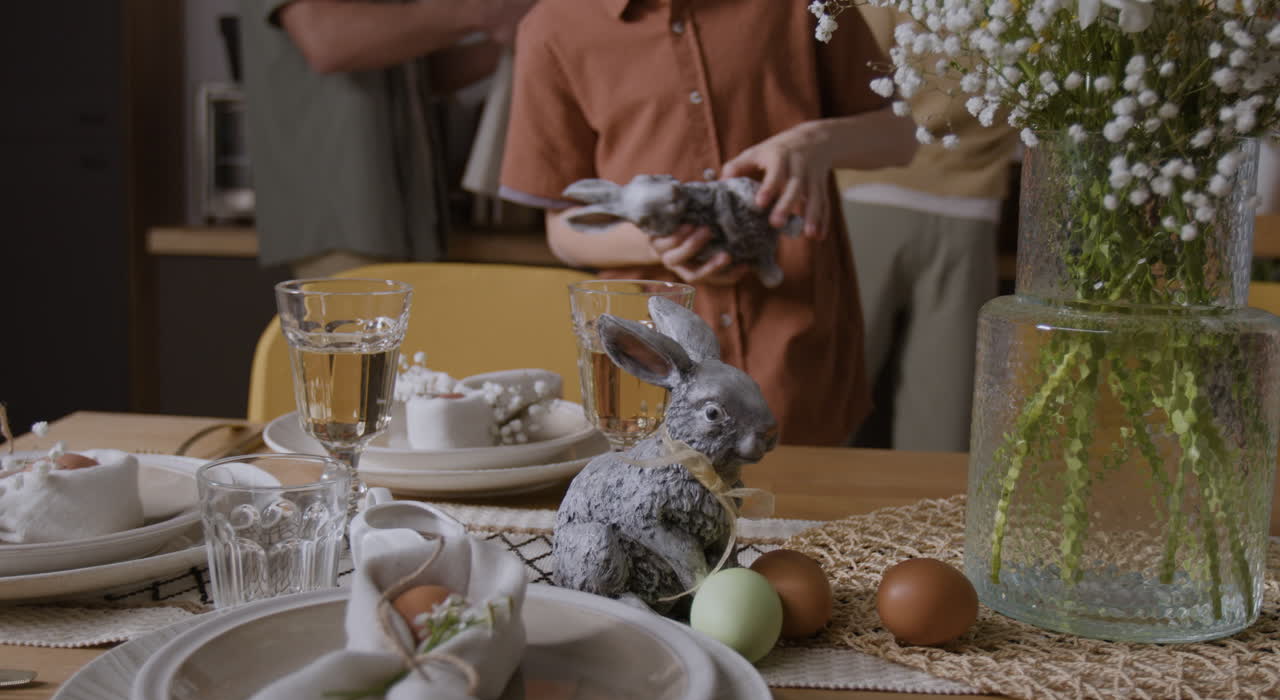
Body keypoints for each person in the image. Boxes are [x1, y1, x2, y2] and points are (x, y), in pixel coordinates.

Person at [499, 0, 916, 446]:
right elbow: (563, 231)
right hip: (651, 371)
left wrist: (815, 142)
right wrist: (656, 246)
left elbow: (902, 138)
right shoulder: (551, 27)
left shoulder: (803, 6)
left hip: (796, 350)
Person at [238, 0, 535, 277]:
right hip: (343, 220)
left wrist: (522, 39)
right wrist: (481, 12)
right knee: (356, 331)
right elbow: (326, 40)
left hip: (411, 217)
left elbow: (423, 73)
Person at [838, 7, 1019, 452]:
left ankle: (801, 516)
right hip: (969, 205)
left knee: (834, 401)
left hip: (869, 191)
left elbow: (845, 69)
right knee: (943, 418)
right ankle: (925, 519)